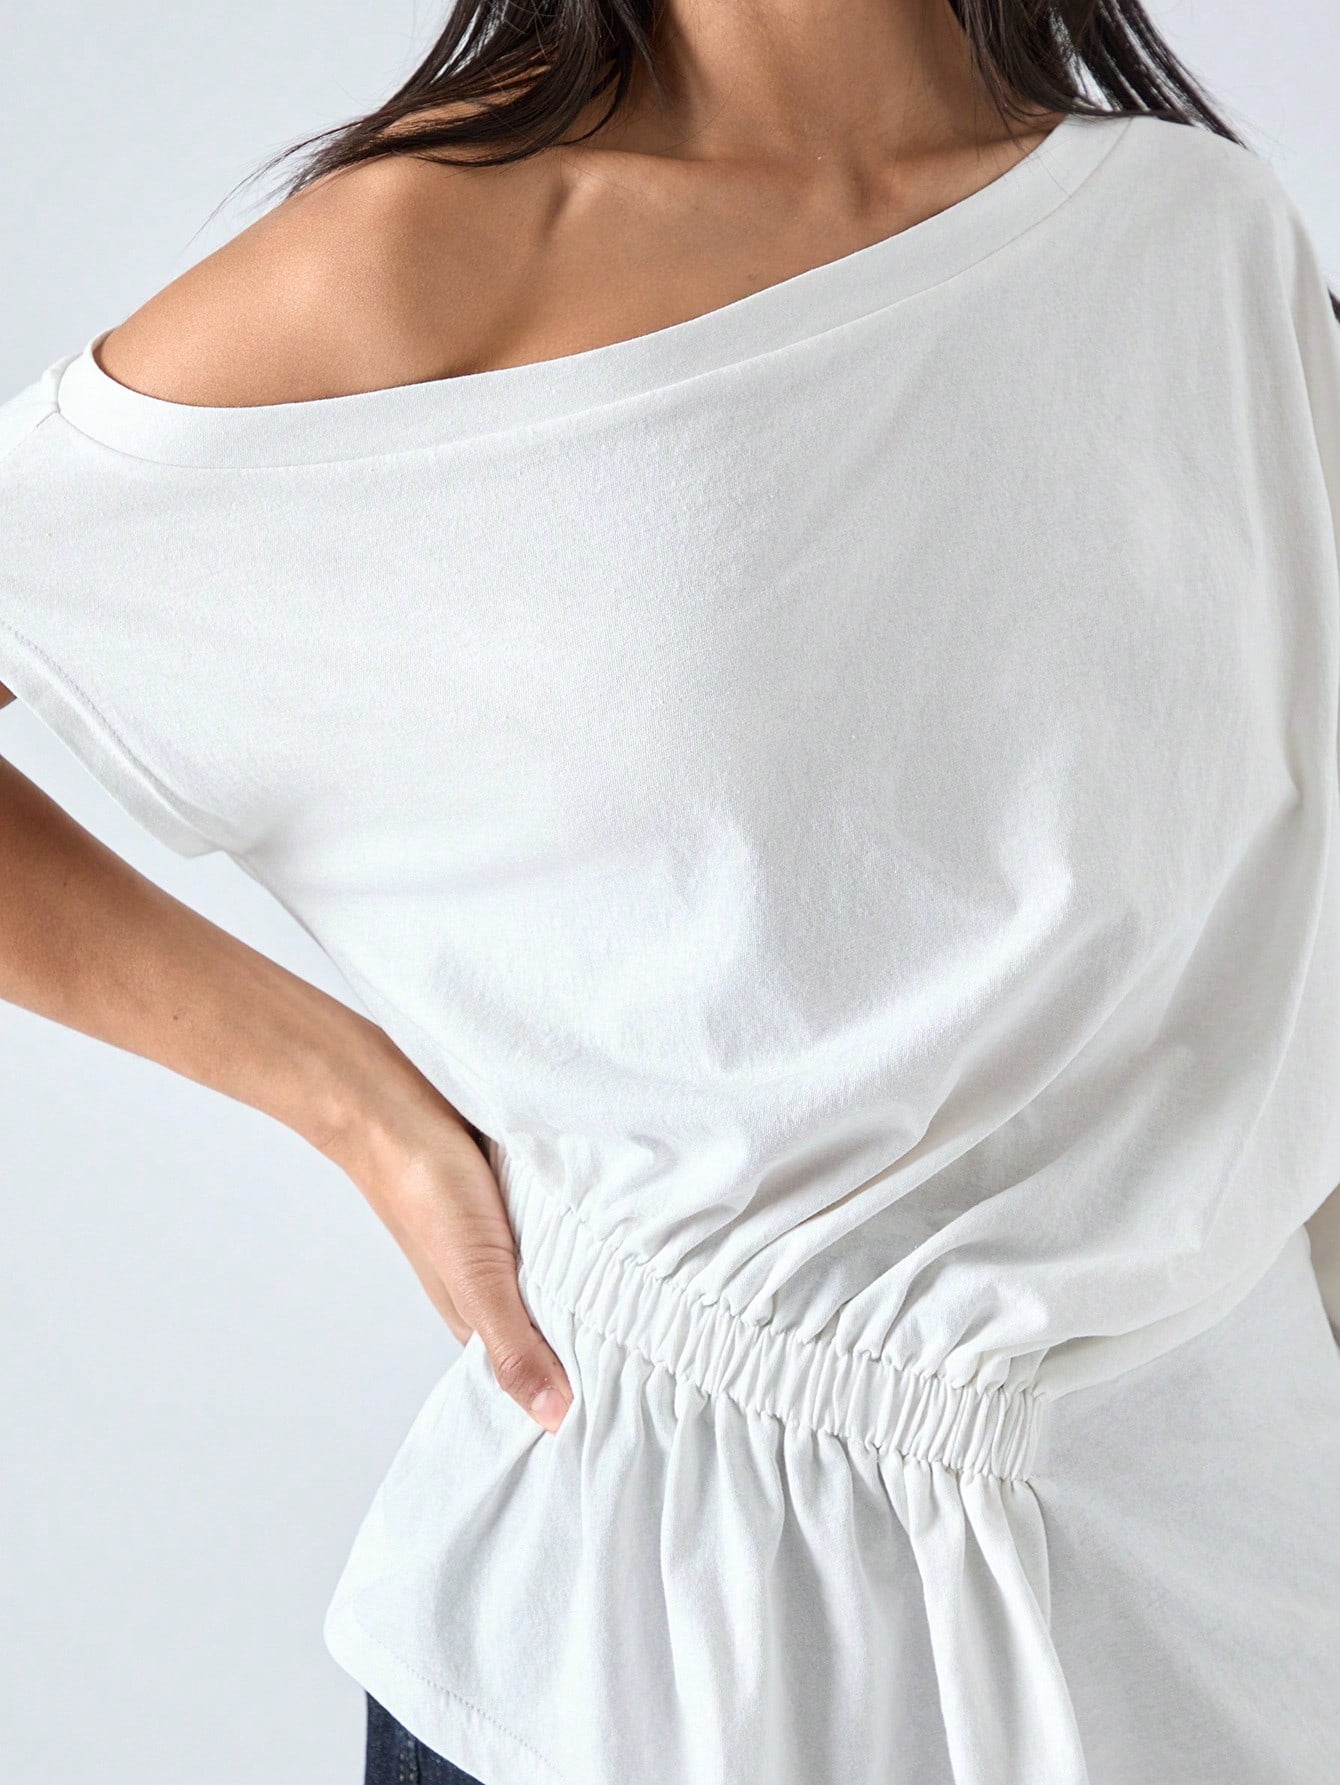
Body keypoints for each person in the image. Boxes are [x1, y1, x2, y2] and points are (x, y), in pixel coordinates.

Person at [2, 1, 1339, 1781]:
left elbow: (1285, 947)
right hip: (651, 1655)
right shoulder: (424, 260)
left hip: (1226, 1615)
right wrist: (357, 1104)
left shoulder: (1202, 244)